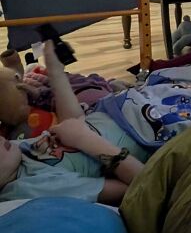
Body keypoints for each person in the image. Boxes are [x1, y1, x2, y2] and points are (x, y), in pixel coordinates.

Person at [0, 41, 148, 205]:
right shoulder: (31, 187)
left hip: (125, 108)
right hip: (148, 129)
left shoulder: (13, 151)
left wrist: (56, 73)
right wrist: (86, 140)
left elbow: (71, 126)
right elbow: (141, 184)